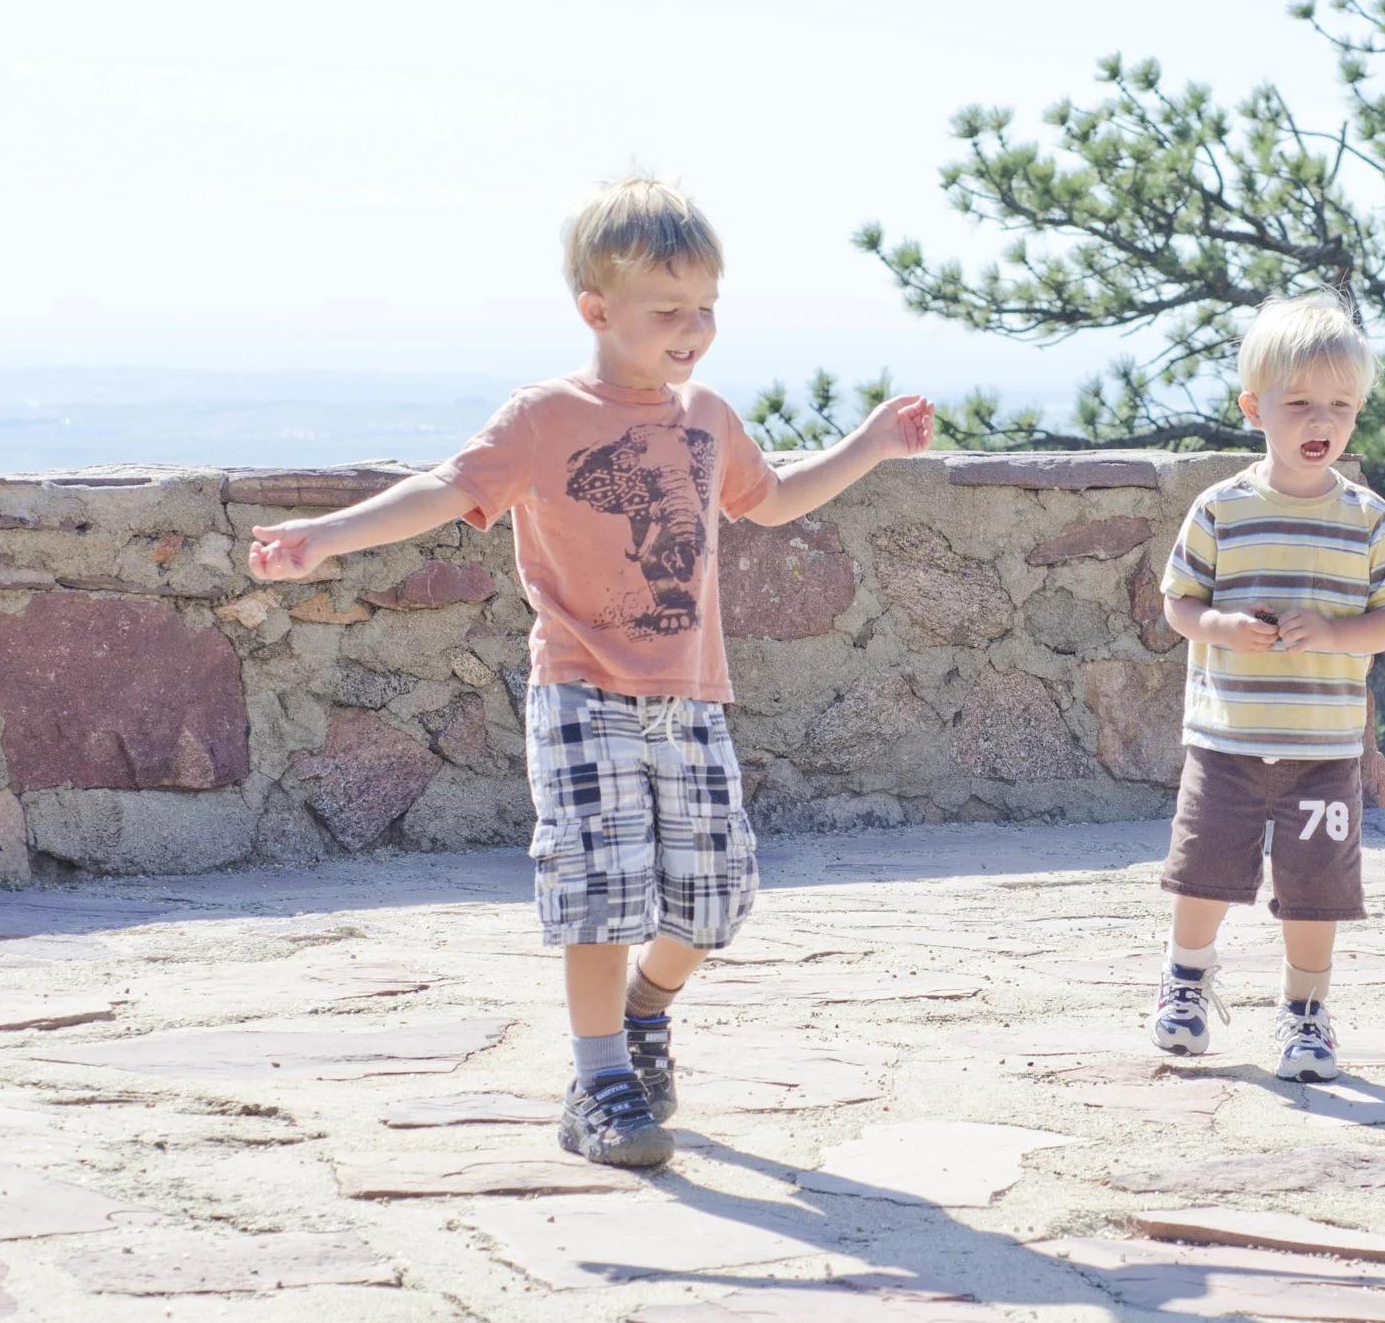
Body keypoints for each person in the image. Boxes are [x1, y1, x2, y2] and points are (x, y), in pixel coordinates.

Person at [247, 177, 934, 1166]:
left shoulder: (707, 417)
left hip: (689, 698)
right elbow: (446, 489)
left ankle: (646, 1011)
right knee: (599, 889)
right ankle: (600, 1083)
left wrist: (869, 444)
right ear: (596, 310)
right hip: (579, 689)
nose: (692, 330)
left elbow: (772, 500)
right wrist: (325, 538)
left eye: (706, 309)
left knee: (713, 900)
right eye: (668, 311)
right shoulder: (544, 417)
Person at [1149, 293, 1385, 1081]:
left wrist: (1336, 634)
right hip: (1227, 741)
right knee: (1202, 873)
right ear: (1253, 408)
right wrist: (1223, 628)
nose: (1319, 421)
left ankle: (1305, 1013)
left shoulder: (1368, 520)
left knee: (1316, 893)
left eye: (1340, 406)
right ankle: (1185, 983)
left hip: (1322, 751)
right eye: (1299, 403)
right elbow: (1178, 602)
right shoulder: (1222, 509)